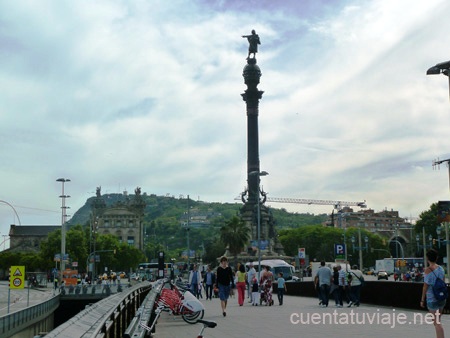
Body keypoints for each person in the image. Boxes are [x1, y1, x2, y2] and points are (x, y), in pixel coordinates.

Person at [420, 249, 446, 338]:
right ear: (436, 258)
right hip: (441, 298)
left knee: (437, 323)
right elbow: (443, 283)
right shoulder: (441, 269)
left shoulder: (428, 270)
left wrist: (422, 299)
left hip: (432, 299)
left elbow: (425, 286)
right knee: (438, 321)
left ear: (427, 258)